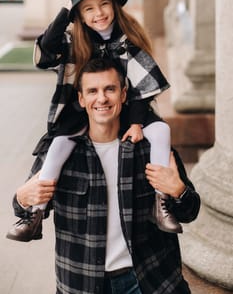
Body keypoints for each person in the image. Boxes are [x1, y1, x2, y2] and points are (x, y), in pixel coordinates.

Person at [7, 0, 180, 242]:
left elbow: (144, 87)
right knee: (57, 148)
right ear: (80, 15)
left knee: (160, 131)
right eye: (88, 8)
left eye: (104, 4)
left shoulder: (127, 42)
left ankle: (162, 202)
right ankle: (34, 215)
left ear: (114, 6)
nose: (98, 13)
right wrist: (67, 13)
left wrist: (136, 122)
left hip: (128, 108)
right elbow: (45, 53)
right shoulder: (74, 41)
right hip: (82, 112)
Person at [9, 58, 200, 293]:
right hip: (82, 284)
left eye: (110, 89)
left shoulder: (149, 149)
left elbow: (190, 212)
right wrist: (21, 197)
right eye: (92, 91)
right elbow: (27, 212)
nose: (101, 99)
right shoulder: (59, 155)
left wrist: (178, 190)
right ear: (81, 99)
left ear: (123, 94)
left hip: (151, 281)